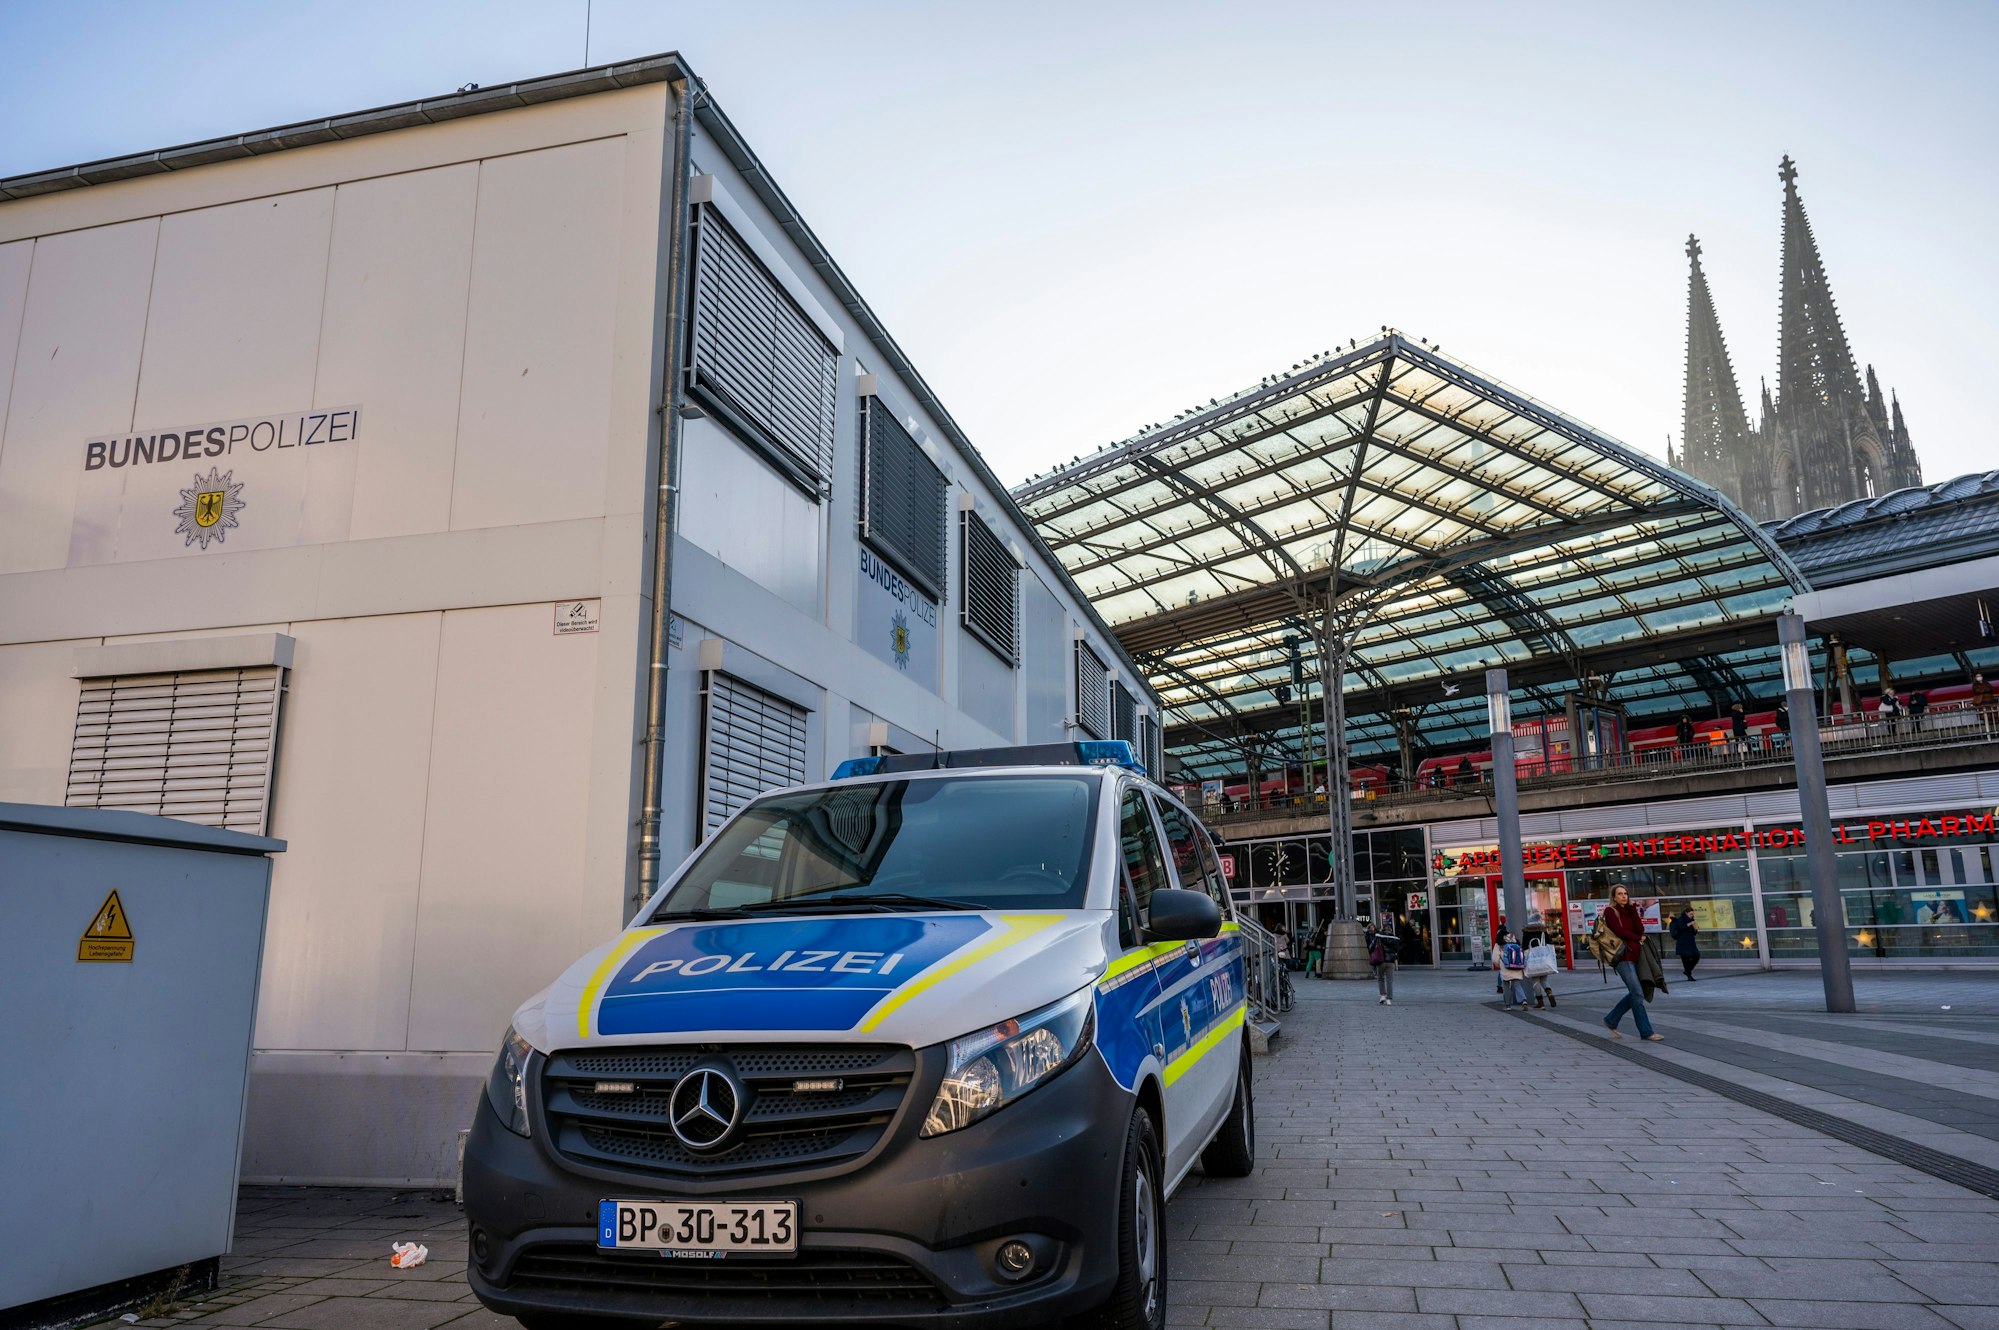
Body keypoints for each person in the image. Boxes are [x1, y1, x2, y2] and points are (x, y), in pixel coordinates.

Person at [1600, 885, 1663, 1041]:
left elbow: (1640, 929)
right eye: (1620, 894)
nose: (1623, 896)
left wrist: (1634, 910)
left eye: (1625, 893)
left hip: (1637, 956)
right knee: (1637, 993)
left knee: (1637, 992)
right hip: (1623, 958)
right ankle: (1646, 1032)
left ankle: (1611, 1019)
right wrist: (1636, 937)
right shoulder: (1610, 911)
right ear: (1613, 897)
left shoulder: (1630, 910)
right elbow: (1619, 932)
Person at [1521, 922, 1558, 1010]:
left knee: (1536, 982)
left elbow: (1524, 946)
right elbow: (1550, 943)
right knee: (1544, 980)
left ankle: (1540, 1003)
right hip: (1544, 960)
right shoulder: (1543, 932)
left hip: (1533, 961)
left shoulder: (1526, 933)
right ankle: (1549, 992)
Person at [1367, 910, 1400, 1005]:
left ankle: (1382, 995)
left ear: (1383, 929)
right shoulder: (1394, 938)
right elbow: (1397, 950)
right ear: (1390, 930)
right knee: (1390, 980)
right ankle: (1389, 999)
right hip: (1390, 962)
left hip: (1380, 960)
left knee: (1381, 978)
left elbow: (1371, 947)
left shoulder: (1379, 936)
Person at [1497, 931, 1528, 1010]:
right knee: (1517, 985)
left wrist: (1500, 965)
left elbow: (1495, 959)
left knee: (1506, 986)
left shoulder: (1500, 945)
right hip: (1517, 967)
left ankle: (1508, 1005)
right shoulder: (1517, 944)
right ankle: (1524, 1000)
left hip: (1506, 968)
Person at [1669, 905, 1701, 981]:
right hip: (1682, 942)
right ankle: (1689, 975)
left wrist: (1695, 929)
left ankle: (1687, 971)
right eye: (1690, 914)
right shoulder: (1681, 919)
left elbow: (1693, 933)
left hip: (1691, 942)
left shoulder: (1692, 920)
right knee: (1686, 959)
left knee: (1696, 955)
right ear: (1686, 913)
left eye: (1692, 914)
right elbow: (1681, 927)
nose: (1691, 916)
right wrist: (1690, 924)